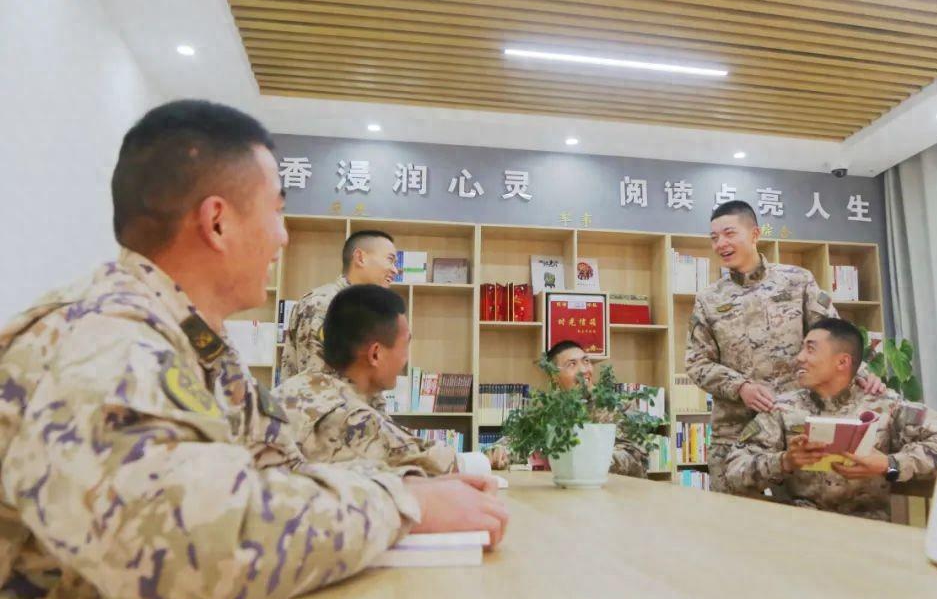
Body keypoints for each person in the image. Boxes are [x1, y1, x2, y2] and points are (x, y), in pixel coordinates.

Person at [0, 99, 508, 599]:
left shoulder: (196, 345)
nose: (283, 237)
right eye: (276, 211)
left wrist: (410, 487)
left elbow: (278, 475)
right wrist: (405, 506)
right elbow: (199, 550)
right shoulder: (107, 341)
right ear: (217, 222)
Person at [685, 200, 884, 494]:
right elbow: (696, 362)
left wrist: (862, 372)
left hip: (796, 430)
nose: (721, 244)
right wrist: (741, 387)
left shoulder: (797, 281)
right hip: (735, 432)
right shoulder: (708, 299)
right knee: (730, 517)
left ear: (755, 234)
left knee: (799, 515)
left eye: (729, 234)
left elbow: (833, 336)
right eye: (714, 238)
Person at [723, 318, 937, 521]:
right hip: (799, 529)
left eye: (810, 349)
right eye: (802, 348)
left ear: (842, 362)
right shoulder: (783, 409)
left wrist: (890, 465)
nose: (799, 358)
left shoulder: (885, 405)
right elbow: (733, 470)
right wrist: (784, 461)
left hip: (868, 532)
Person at [276, 284, 456, 476]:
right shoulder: (354, 420)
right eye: (404, 346)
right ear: (375, 354)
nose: (405, 359)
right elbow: (441, 467)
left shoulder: (292, 390)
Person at [487, 340, 650, 477]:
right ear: (554, 376)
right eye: (572, 364)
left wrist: (577, 459)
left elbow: (636, 459)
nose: (584, 370)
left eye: (586, 361)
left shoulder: (619, 405)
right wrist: (499, 452)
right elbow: (516, 441)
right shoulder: (548, 410)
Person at [279, 229, 399, 380]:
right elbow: (318, 385)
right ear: (360, 258)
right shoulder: (323, 305)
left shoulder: (364, 310)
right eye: (390, 260)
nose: (395, 270)